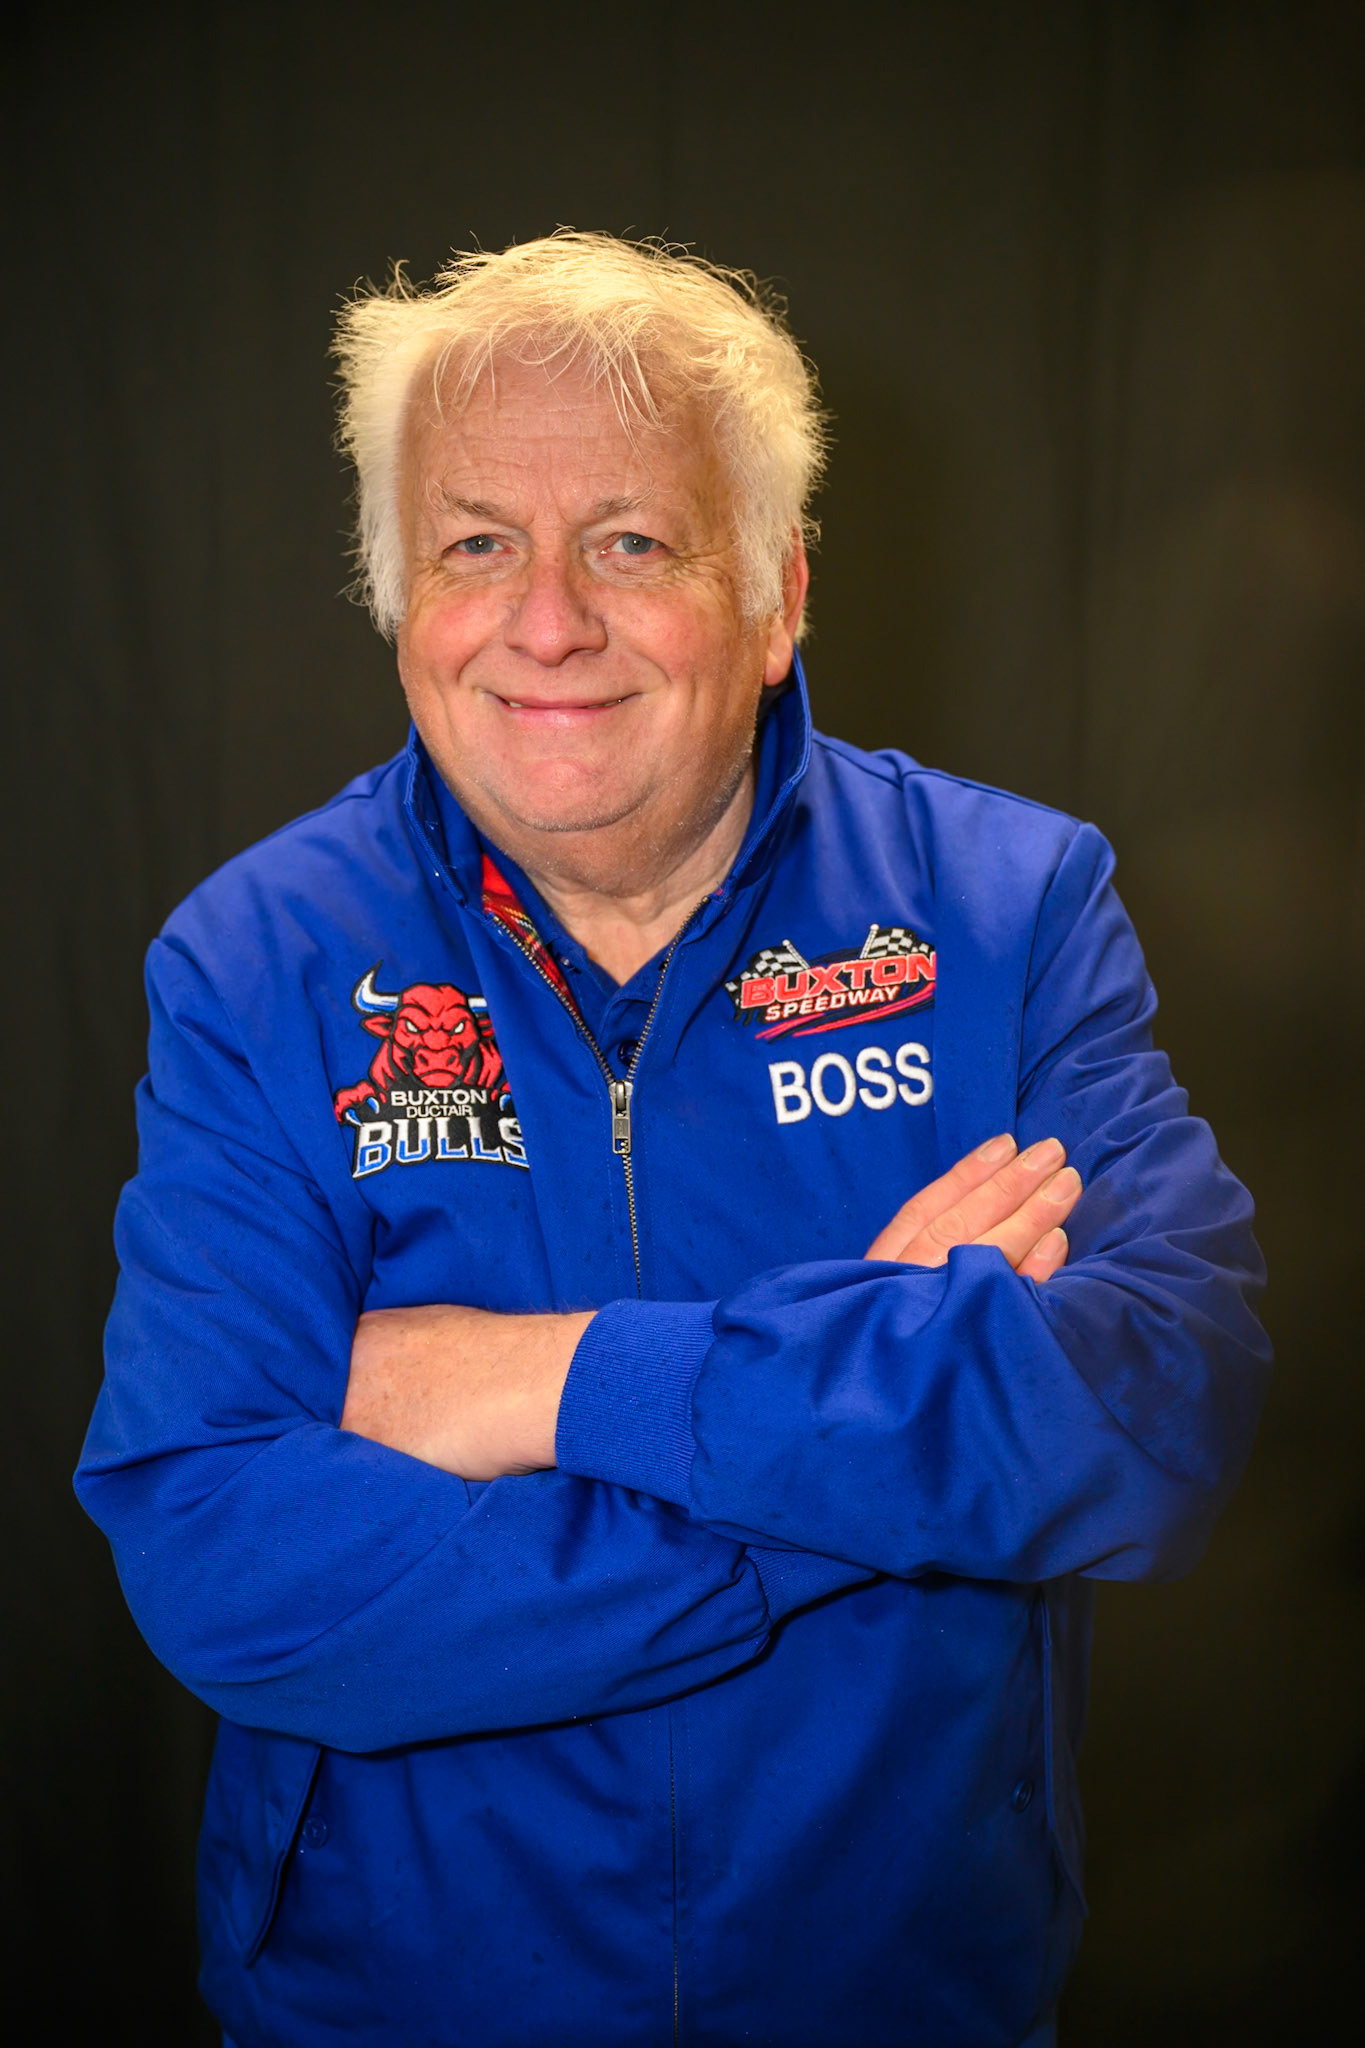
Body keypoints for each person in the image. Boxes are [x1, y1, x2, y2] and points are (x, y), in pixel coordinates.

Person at [76, 232, 1270, 2048]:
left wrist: (542, 1385)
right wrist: (855, 1447)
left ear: (779, 593)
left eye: (630, 542)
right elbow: (227, 1561)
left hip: (900, 1996)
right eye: (476, 544)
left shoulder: (1013, 906)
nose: (545, 620)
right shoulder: (257, 961)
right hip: (394, 2006)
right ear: (404, 599)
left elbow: (1161, 1403)